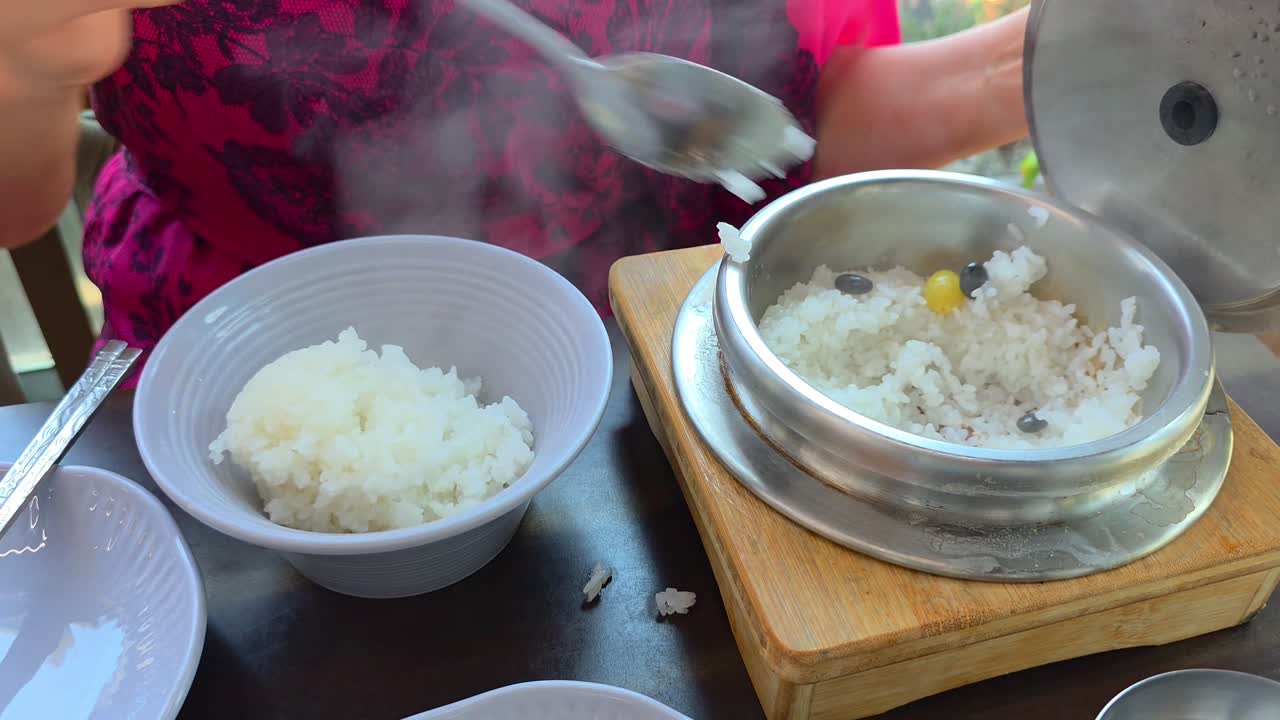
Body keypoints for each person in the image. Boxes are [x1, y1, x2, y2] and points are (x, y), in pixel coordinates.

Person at [0, 0, 1029, 373]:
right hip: (236, 362)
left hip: (687, 357)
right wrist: (24, 59)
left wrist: (1047, 65)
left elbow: (784, 130)